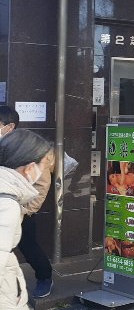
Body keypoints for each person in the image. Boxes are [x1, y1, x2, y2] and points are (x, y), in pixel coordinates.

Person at [0, 106, 55, 299]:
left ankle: (45, 277)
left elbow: (41, 185)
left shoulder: (31, 149)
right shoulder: (5, 145)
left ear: (10, 126)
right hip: (7, 202)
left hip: (22, 208)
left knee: (28, 245)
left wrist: (26, 211)